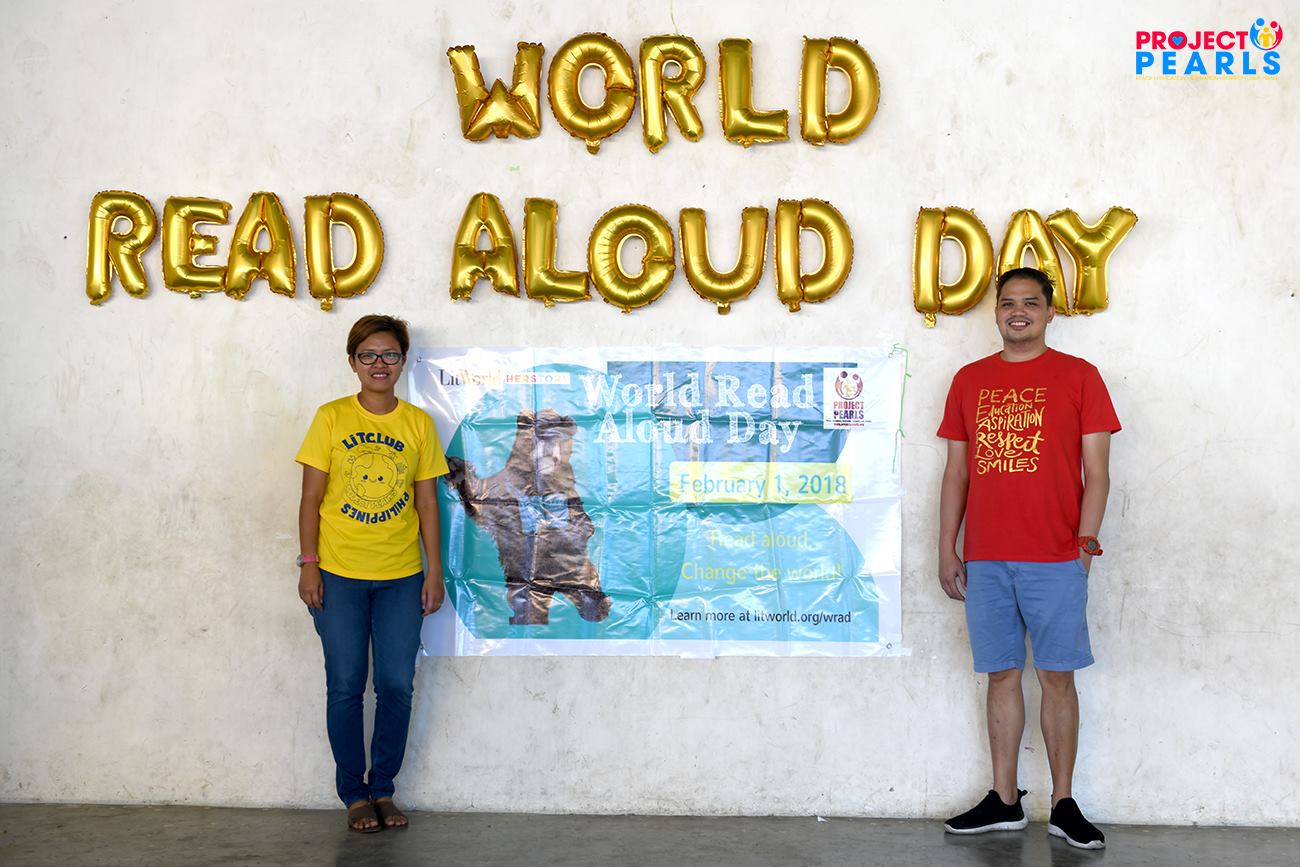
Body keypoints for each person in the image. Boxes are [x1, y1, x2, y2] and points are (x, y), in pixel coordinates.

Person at [936, 267, 1120, 850]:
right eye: (1009, 303)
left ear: (1049, 312)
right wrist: (947, 547)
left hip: (1056, 556)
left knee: (1057, 676)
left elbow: (1098, 473)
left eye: (1031, 303)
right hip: (987, 557)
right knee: (1001, 675)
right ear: (996, 312)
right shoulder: (969, 380)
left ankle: (1063, 804)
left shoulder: (1080, 376)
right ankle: (1004, 800)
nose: (1019, 312)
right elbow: (957, 472)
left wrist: (1085, 545)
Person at [295, 314, 448, 833]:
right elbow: (311, 498)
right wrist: (309, 565)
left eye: (390, 355)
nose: (379, 364)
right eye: (369, 355)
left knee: (396, 685)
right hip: (338, 574)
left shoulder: (418, 424)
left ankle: (383, 787)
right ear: (353, 362)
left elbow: (427, 505)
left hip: (402, 576)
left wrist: (434, 572)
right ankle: (353, 794)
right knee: (345, 685)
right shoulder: (331, 418)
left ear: (403, 362)